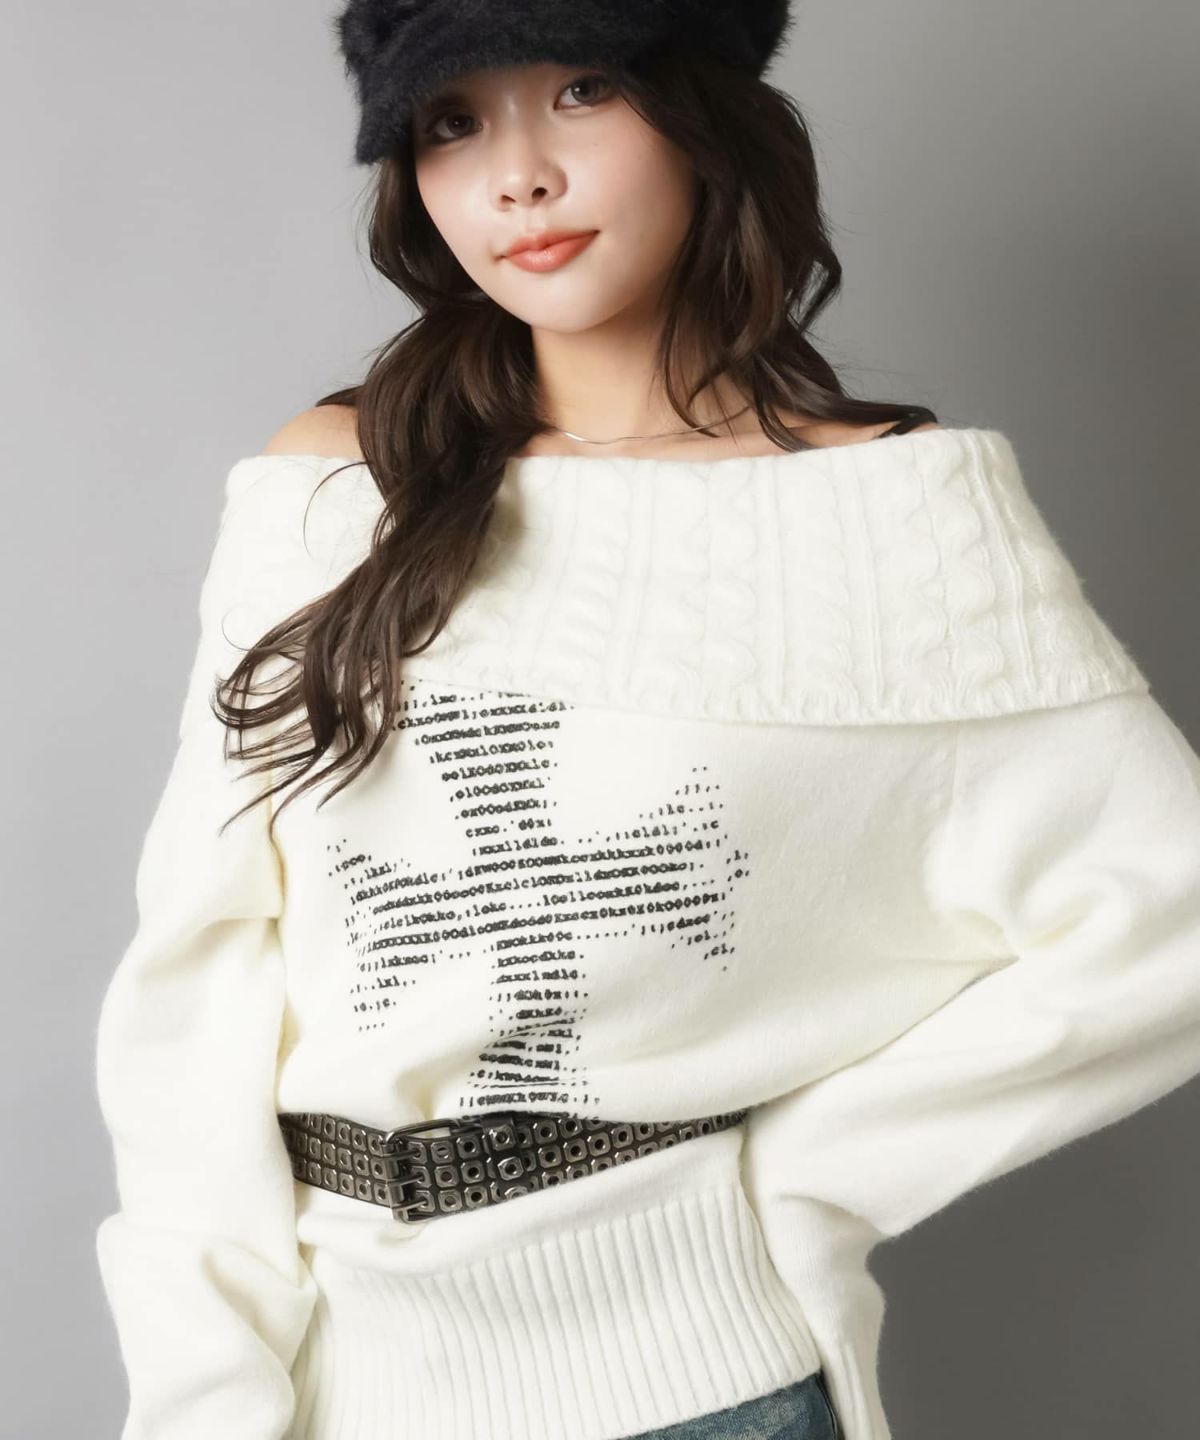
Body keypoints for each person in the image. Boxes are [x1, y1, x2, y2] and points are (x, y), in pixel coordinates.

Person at [93, 4, 1200, 1439]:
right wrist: (201, 1396)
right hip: (331, 1385)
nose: (518, 176)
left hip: (702, 1391)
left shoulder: (889, 515)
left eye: (583, 90)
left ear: (703, 117)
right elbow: (198, 976)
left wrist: (810, 1177)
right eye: (453, 122)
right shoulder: (333, 482)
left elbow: (1169, 921)